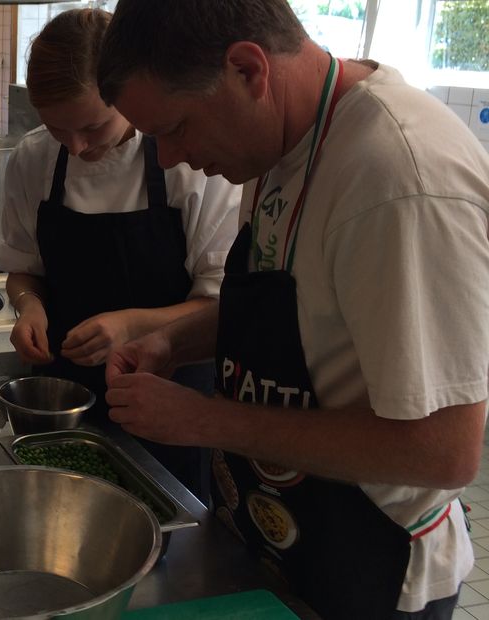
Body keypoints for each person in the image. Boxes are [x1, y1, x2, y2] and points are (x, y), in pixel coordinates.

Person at [97, 1, 489, 618]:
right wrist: (175, 342)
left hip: (370, 571)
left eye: (176, 127)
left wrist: (203, 421)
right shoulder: (285, 142)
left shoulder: (398, 177)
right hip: (283, 542)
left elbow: (442, 449)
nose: (168, 159)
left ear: (249, 70)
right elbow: (294, 307)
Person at [0, 8, 241, 496]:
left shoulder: (186, 163)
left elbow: (219, 304)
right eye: (59, 130)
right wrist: (29, 306)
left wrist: (129, 324)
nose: (78, 146)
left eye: (92, 126)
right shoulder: (33, 158)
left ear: (127, 97)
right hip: (62, 400)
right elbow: (23, 270)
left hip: (167, 396)